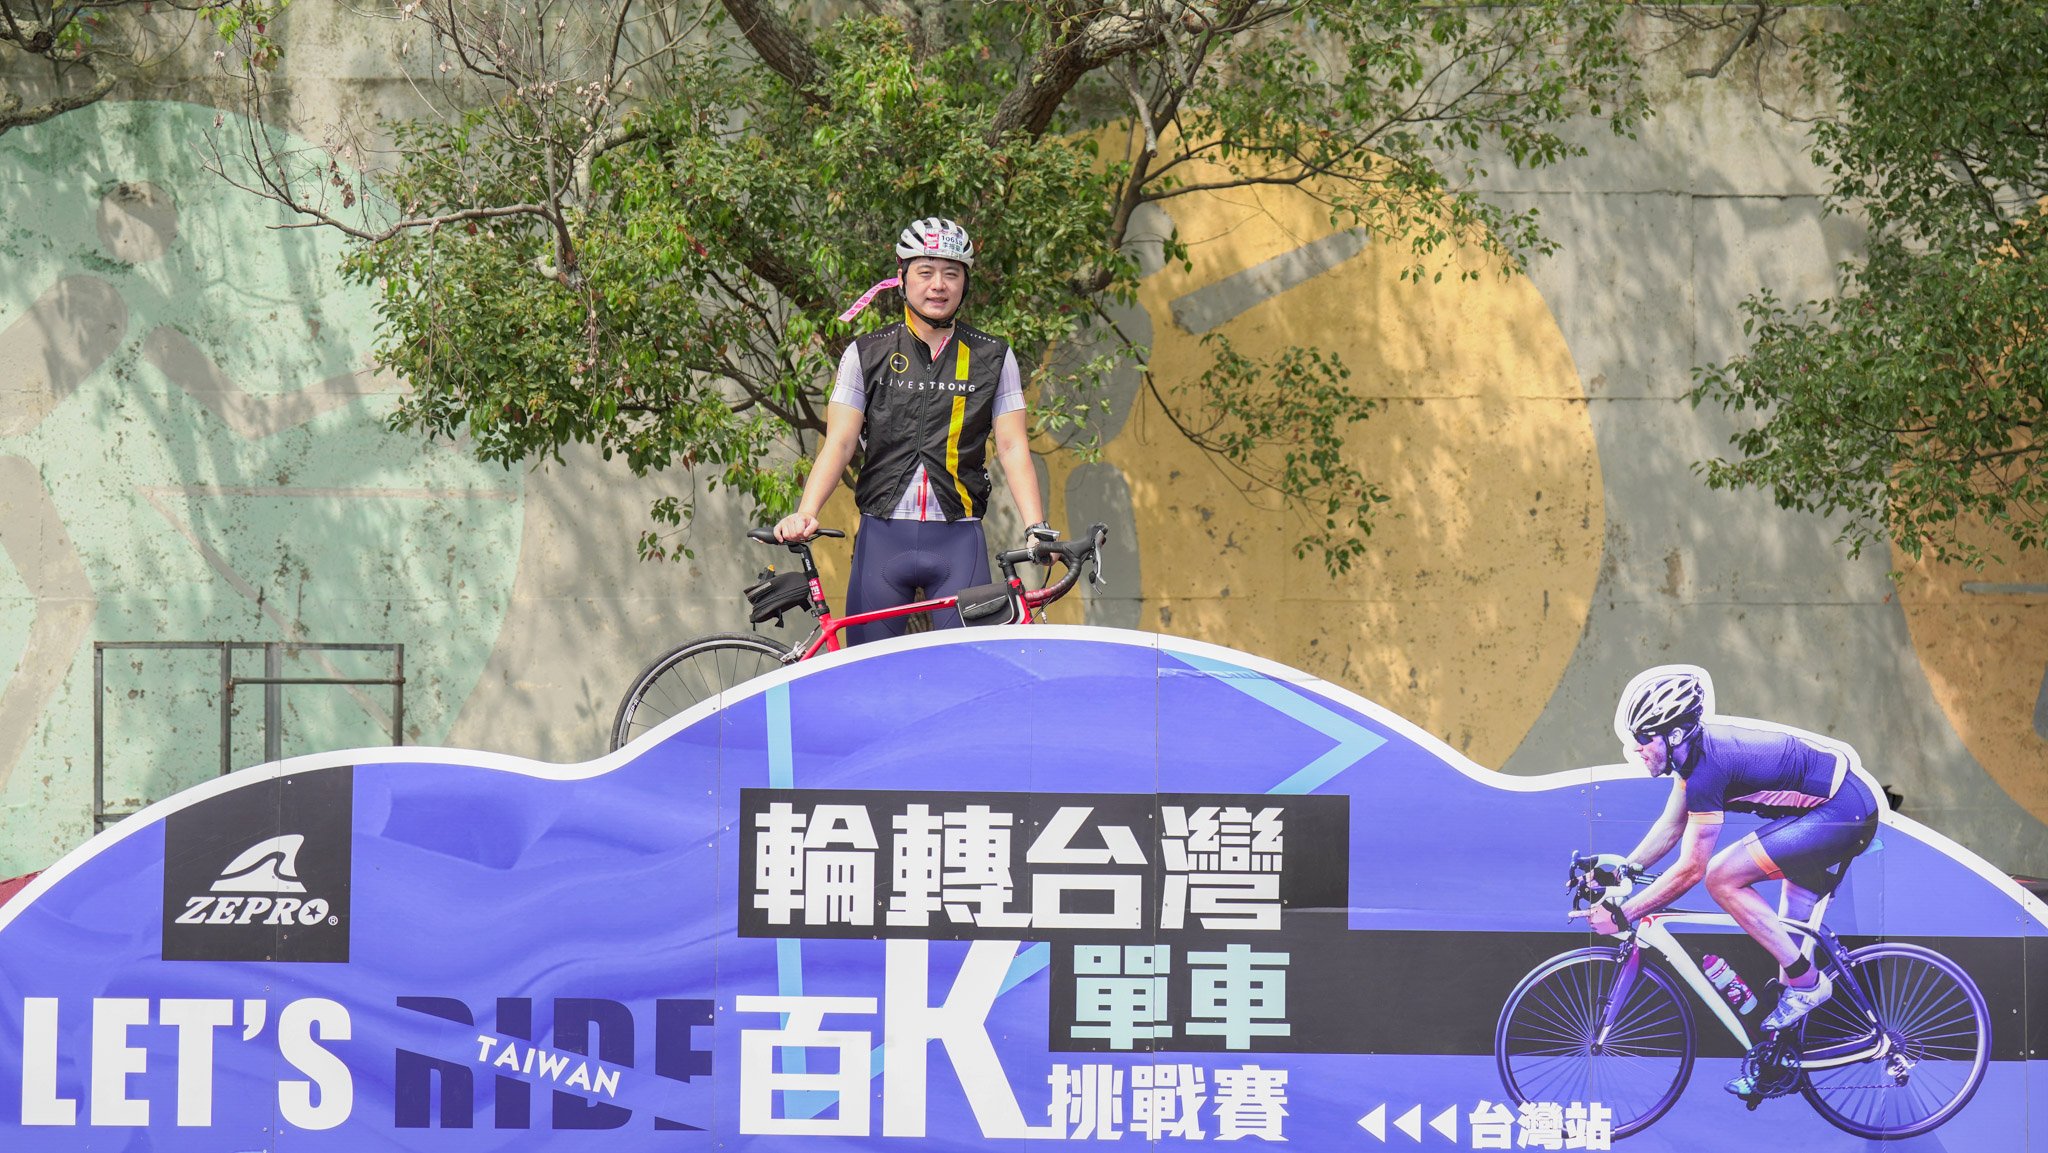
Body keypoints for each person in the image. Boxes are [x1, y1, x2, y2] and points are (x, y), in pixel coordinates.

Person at [1585, 664, 1883, 1095]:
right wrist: (1622, 870)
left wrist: (1624, 913)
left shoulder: (1707, 769)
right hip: (1830, 811)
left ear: (1673, 735)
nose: (1636, 747)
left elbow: (1691, 870)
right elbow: (1670, 828)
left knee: (1722, 876)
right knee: (1785, 940)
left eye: (1645, 737)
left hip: (1841, 813)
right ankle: (1777, 1064)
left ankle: (1809, 984)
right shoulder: (1692, 761)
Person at [775, 217, 1052, 644]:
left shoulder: (993, 356)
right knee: (869, 672)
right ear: (902, 277)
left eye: (951, 273)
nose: (938, 285)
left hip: (959, 539)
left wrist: (1036, 526)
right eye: (925, 272)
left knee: (966, 672)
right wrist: (807, 510)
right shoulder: (866, 352)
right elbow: (841, 442)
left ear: (965, 283)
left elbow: (1013, 446)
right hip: (882, 538)